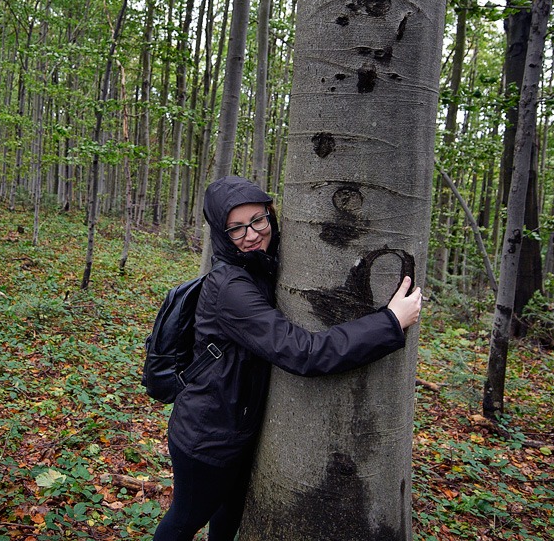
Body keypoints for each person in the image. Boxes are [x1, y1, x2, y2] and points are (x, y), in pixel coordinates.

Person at [153, 175, 422, 541]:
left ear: (270, 215)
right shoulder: (231, 286)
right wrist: (389, 323)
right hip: (208, 439)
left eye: (258, 220)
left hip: (234, 428)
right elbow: (303, 352)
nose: (251, 235)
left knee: (229, 516)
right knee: (183, 522)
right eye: (236, 229)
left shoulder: (259, 264)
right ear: (220, 233)